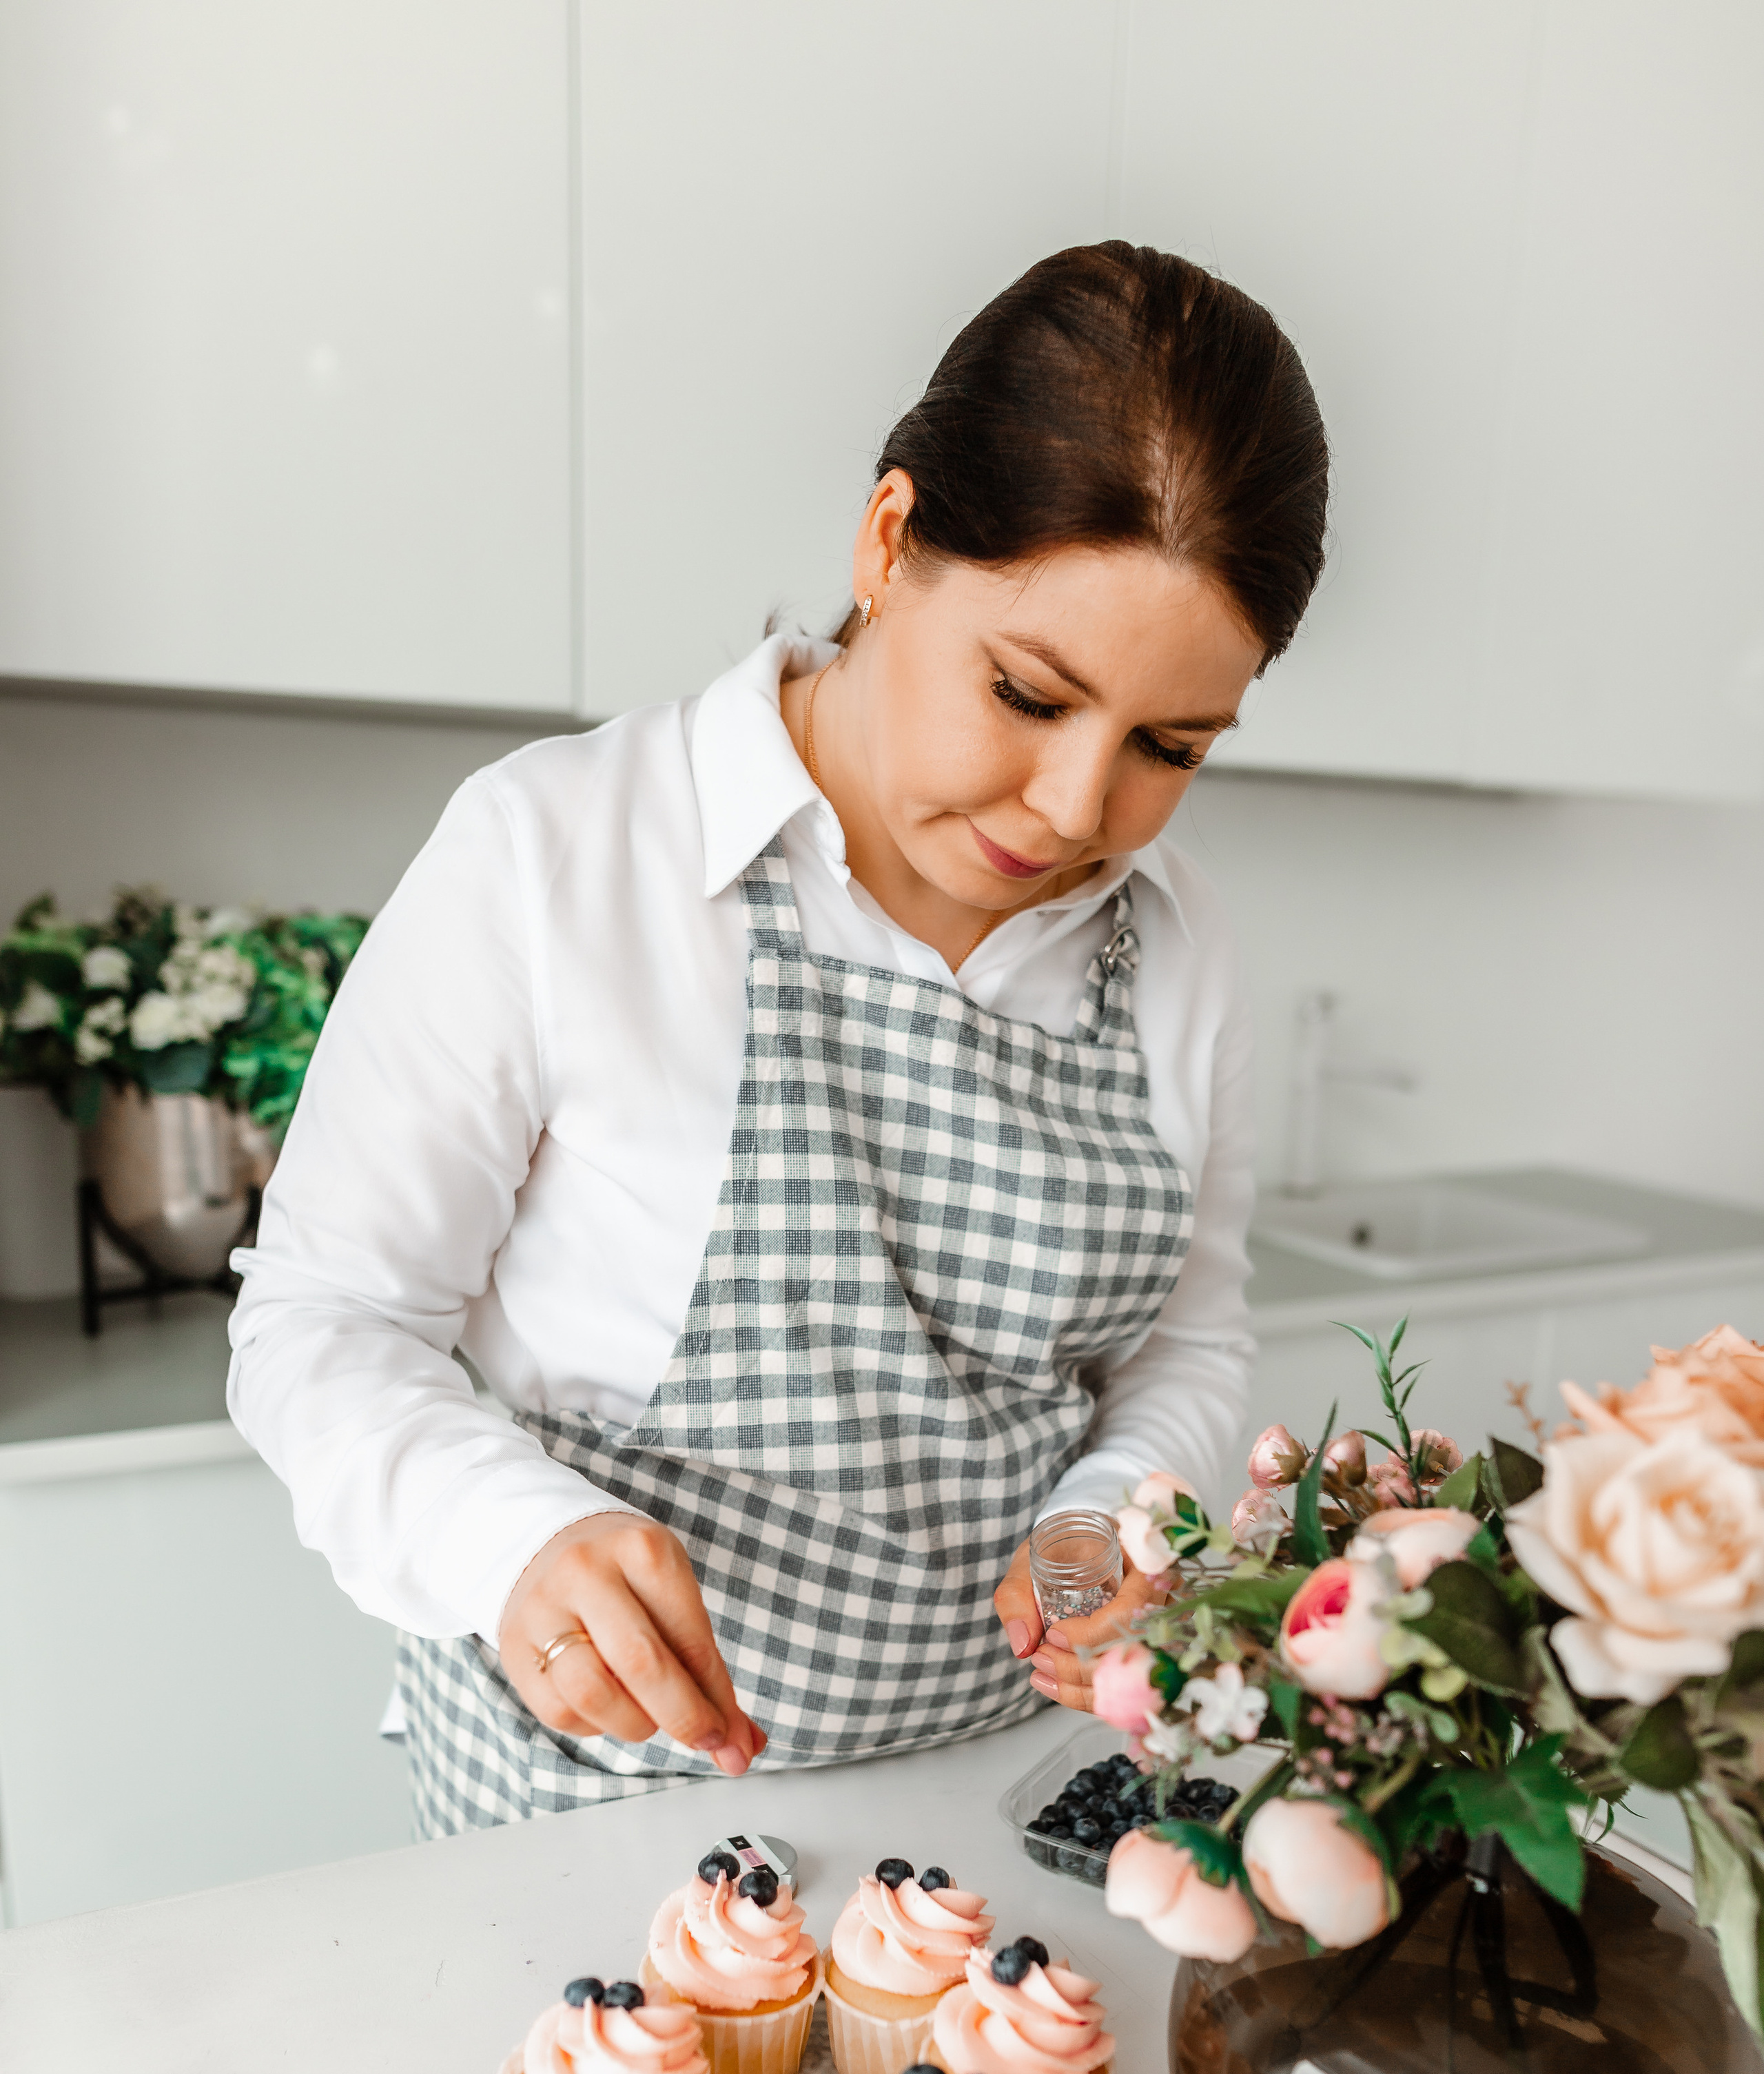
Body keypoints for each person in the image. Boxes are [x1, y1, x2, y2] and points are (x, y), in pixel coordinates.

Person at [228, 240, 1329, 1834]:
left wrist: (1103, 1519)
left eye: (1168, 745)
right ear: (889, 541)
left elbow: (1182, 1341)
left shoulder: (1178, 943)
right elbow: (322, 1323)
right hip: (591, 1817)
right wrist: (507, 1540)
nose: (1081, 809)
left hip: (997, 1805)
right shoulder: (558, 854)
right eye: (1027, 694)